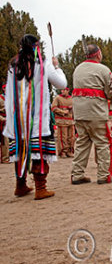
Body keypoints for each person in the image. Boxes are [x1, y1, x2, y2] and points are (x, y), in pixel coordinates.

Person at [3, 34, 67, 199]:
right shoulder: (43, 63)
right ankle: (40, 188)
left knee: (21, 149)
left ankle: (21, 185)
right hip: (38, 117)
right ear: (37, 46)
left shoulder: (13, 65)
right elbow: (62, 84)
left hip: (17, 118)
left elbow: (10, 92)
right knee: (39, 150)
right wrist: (57, 67)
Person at [71, 43, 112, 185]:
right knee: (102, 143)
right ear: (98, 54)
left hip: (79, 113)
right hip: (96, 112)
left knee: (82, 143)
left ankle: (77, 174)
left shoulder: (77, 69)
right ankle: (103, 175)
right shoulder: (103, 69)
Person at [51, 87, 74, 158]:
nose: (62, 91)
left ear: (68, 90)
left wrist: (72, 107)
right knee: (62, 137)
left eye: (64, 90)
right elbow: (53, 108)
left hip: (71, 120)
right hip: (61, 120)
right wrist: (63, 112)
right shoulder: (57, 98)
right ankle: (62, 152)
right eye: (62, 90)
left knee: (71, 137)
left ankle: (69, 151)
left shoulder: (72, 98)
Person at [0, 84, 9, 164]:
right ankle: (4, 157)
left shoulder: (11, 97)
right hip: (3, 120)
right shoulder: (0, 98)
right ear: (3, 89)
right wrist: (3, 119)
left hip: (11, 120)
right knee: (5, 140)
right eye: (6, 88)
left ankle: (10, 156)